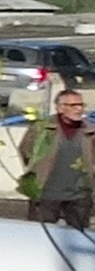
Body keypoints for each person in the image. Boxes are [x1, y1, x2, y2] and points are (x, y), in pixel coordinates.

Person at [32, 90, 95, 233]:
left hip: (79, 196)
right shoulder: (42, 128)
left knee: (79, 237)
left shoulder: (90, 131)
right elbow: (27, 151)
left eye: (81, 105)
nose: (79, 109)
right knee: (39, 235)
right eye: (73, 105)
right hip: (45, 194)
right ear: (60, 108)